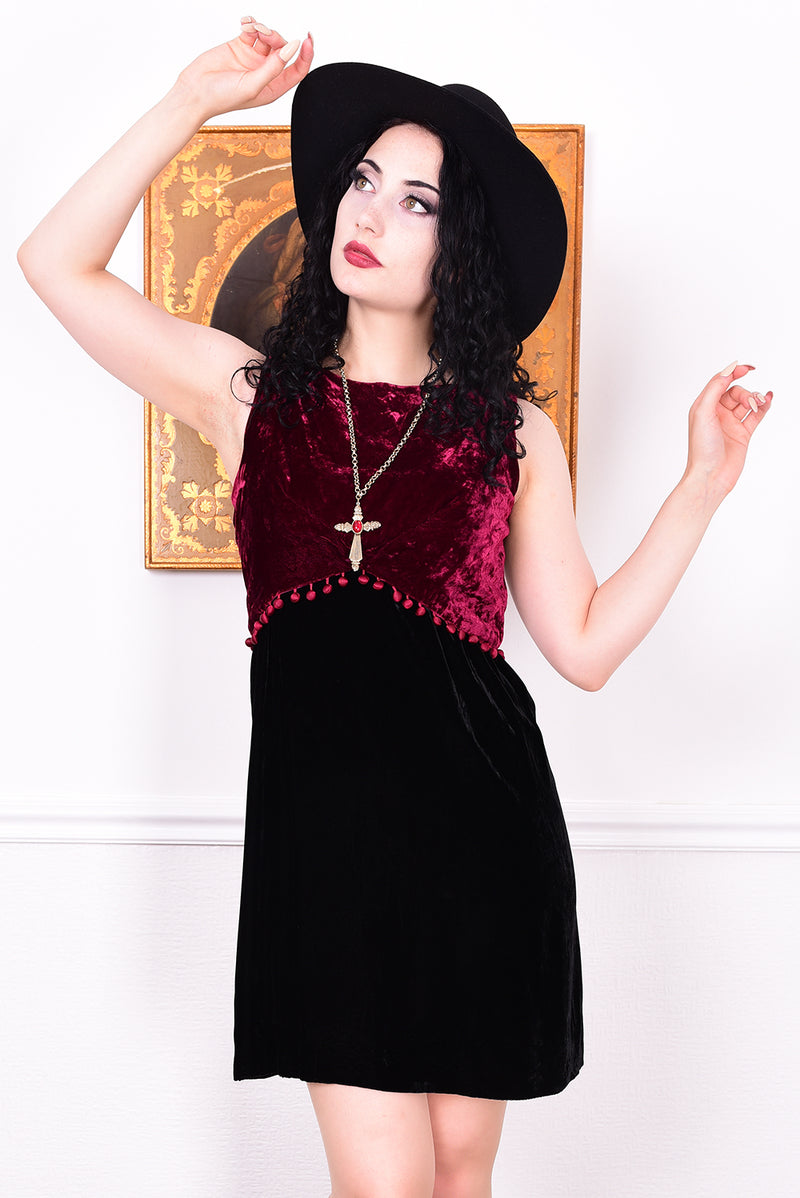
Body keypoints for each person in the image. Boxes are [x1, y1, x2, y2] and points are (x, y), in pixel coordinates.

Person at [17, 17, 772, 1198]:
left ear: (457, 245)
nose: (370, 214)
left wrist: (699, 488)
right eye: (363, 182)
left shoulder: (507, 435)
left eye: (416, 201)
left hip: (488, 844)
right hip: (325, 859)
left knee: (456, 1185)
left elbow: (578, 645)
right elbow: (54, 264)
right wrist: (187, 102)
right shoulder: (248, 399)